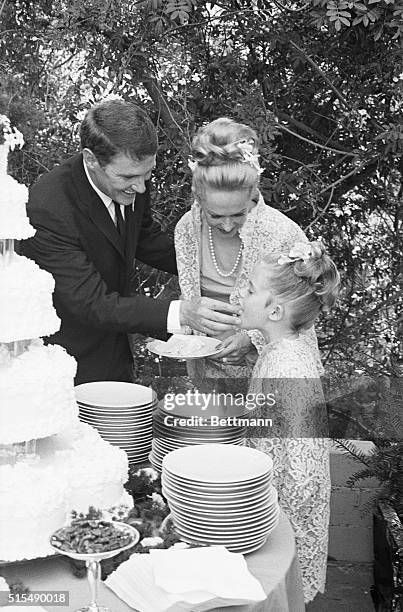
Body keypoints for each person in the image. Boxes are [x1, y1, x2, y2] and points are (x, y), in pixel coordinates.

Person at [22, 101, 240, 384]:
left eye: (147, 174)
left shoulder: (133, 177)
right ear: (91, 159)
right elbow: (91, 302)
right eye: (127, 177)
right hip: (67, 359)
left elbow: (143, 238)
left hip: (116, 348)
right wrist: (182, 313)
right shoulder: (49, 207)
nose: (140, 187)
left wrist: (213, 265)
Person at [175, 117, 320, 387]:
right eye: (215, 215)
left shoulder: (281, 233)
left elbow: (301, 311)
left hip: (267, 370)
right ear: (198, 198)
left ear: (253, 192)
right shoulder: (185, 229)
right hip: (206, 368)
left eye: (238, 213)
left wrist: (250, 339)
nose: (227, 225)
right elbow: (192, 297)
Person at [241, 240, 340, 603]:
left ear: (277, 311)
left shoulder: (288, 367)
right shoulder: (279, 347)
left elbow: (304, 473)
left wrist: (273, 530)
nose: (241, 295)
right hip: (271, 506)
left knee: (278, 599)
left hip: (282, 522)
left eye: (250, 290)